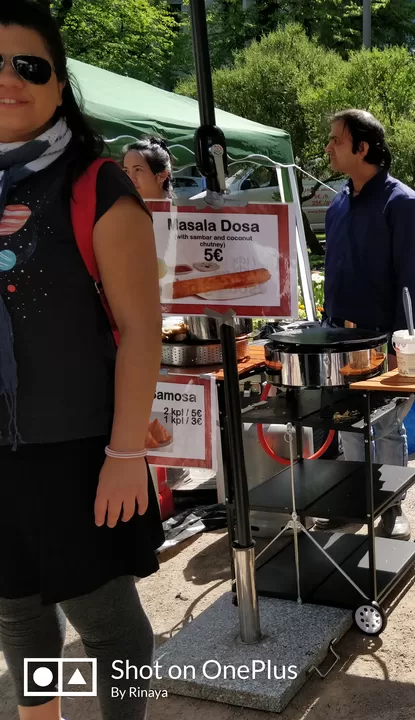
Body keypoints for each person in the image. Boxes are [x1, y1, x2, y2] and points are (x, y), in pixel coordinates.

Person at [0, 4, 164, 719]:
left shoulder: (96, 186)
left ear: (59, 85)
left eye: (27, 65)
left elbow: (140, 329)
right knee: (18, 612)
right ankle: (46, 716)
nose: (8, 79)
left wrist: (126, 449)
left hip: (78, 453)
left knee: (108, 626)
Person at [323, 109, 415, 539]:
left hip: (384, 340)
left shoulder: (402, 204)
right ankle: (357, 498)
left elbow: (411, 282)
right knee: (348, 420)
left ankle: (392, 506)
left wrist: (398, 343)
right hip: (338, 336)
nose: (329, 147)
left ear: (363, 148)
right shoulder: (338, 202)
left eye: (336, 140)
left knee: (385, 426)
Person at [122, 136, 172, 200]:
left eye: (138, 169)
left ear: (162, 175)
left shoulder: (178, 209)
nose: (130, 178)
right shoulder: (121, 208)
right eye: (126, 171)